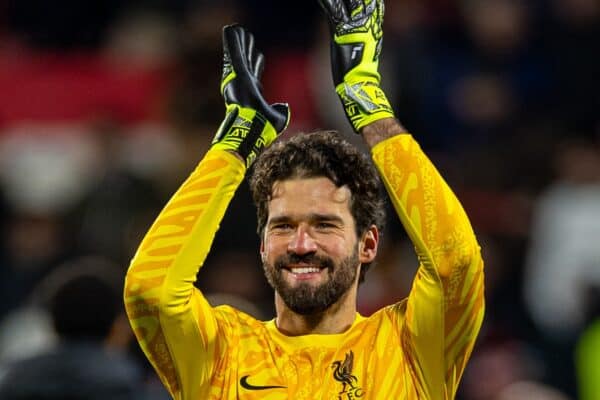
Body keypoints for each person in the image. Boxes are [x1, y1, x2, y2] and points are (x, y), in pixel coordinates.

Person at [124, 0, 485, 398]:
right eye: (283, 226)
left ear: (367, 244)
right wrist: (234, 146)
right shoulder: (222, 351)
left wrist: (366, 102)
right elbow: (150, 289)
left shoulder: (409, 346)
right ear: (262, 245)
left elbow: (456, 262)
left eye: (324, 224)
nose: (301, 244)